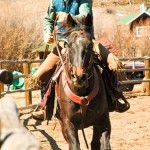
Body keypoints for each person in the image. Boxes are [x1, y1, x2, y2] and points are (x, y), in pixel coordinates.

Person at [27, 0, 129, 120]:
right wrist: (47, 32)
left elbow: (85, 15)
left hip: (84, 40)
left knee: (110, 61)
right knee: (41, 75)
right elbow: (48, 19)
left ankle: (114, 98)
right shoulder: (54, 2)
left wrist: (69, 18)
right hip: (62, 44)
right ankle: (45, 107)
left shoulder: (84, 0)